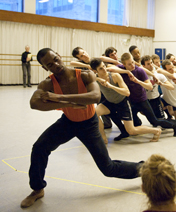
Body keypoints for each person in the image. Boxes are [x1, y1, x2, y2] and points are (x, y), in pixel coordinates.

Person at [20, 48, 143, 208]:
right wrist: (69, 103)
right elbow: (34, 103)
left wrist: (59, 98)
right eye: (50, 64)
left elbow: (95, 96)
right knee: (39, 148)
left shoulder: (84, 75)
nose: (56, 64)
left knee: (108, 168)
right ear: (45, 68)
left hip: (89, 124)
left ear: (59, 55)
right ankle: (37, 189)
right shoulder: (48, 83)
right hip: (68, 122)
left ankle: (145, 168)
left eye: (56, 59)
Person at [89, 58, 162, 142]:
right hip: (110, 103)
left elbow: (127, 92)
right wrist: (98, 79)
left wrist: (110, 86)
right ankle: (103, 139)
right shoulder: (95, 78)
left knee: (131, 131)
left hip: (122, 103)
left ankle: (156, 131)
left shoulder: (114, 76)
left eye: (104, 66)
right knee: (94, 113)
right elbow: (84, 76)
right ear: (95, 71)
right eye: (101, 69)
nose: (104, 69)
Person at [117, 53, 176, 137]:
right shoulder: (120, 69)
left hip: (142, 100)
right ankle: (130, 129)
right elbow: (109, 68)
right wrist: (126, 71)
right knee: (123, 117)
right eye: (129, 64)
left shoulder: (139, 71)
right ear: (124, 64)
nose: (132, 65)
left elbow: (150, 86)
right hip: (131, 101)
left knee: (154, 121)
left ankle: (174, 125)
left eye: (133, 62)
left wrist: (138, 81)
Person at [71, 47, 113, 130]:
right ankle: (106, 123)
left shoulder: (95, 60)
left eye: (84, 52)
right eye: (82, 56)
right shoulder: (79, 65)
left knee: (108, 105)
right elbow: (71, 63)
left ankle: (113, 122)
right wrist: (87, 66)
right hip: (93, 90)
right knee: (97, 106)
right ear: (79, 58)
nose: (85, 55)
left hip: (105, 88)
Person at [141, 55, 174, 120]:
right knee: (152, 120)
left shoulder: (158, 75)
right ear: (144, 66)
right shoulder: (140, 74)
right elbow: (138, 67)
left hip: (155, 99)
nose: (151, 65)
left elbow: (171, 87)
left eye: (151, 63)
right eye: (148, 64)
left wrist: (162, 84)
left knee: (161, 120)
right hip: (145, 100)